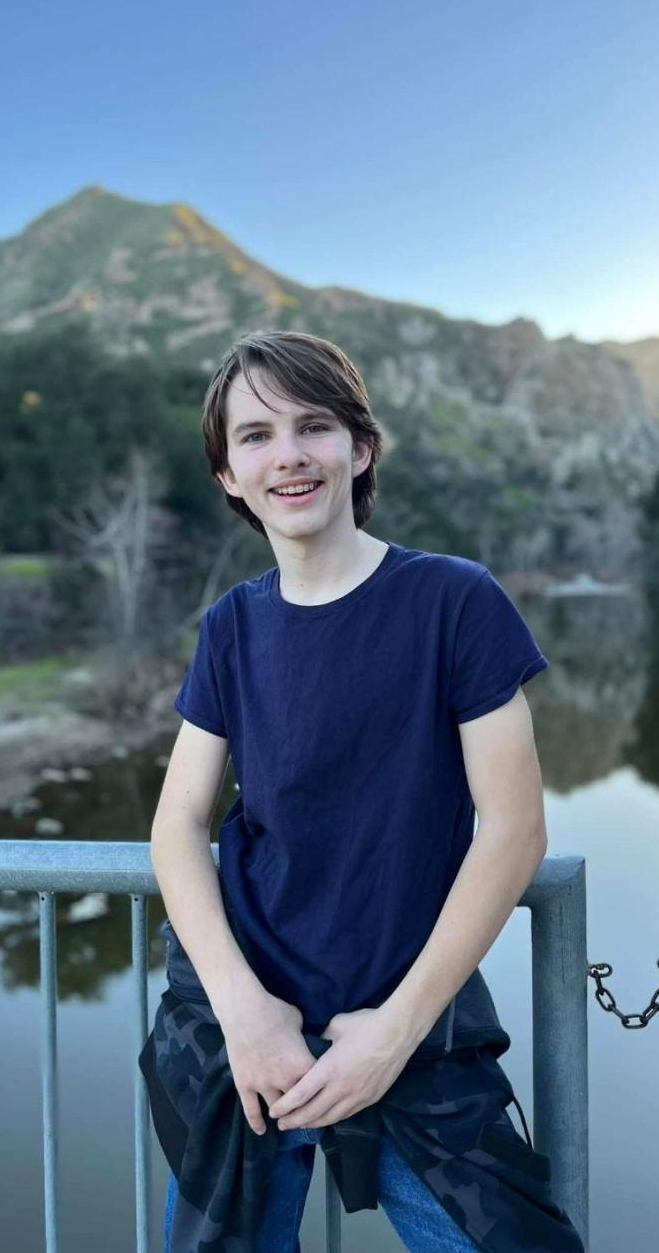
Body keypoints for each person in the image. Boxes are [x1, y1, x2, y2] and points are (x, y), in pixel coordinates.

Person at [146, 329, 574, 1252]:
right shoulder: (230, 627)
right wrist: (244, 1013)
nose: (288, 455)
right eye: (255, 436)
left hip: (407, 1030)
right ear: (228, 474)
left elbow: (514, 830)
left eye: (314, 427)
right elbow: (177, 827)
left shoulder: (454, 601)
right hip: (244, 1040)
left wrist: (391, 1036)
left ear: (361, 447)